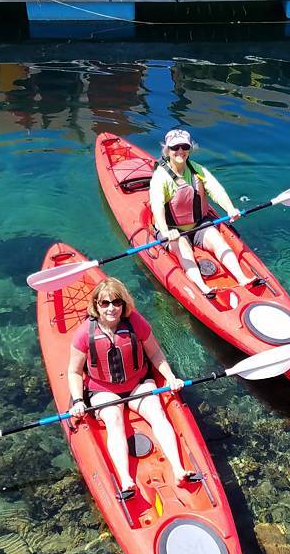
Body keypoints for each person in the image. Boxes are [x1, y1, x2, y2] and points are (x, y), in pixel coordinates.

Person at [66, 277, 196, 499]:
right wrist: (78, 401)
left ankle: (178, 468)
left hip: (138, 384)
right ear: (96, 305)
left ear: (124, 304)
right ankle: (126, 479)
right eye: (104, 303)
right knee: (113, 421)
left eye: (116, 302)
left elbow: (155, 353)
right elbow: (74, 372)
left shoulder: (136, 323)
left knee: (157, 413)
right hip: (103, 390)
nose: (111, 308)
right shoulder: (84, 333)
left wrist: (170, 377)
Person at [149, 128, 264, 299]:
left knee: (218, 241)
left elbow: (216, 190)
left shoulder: (198, 170)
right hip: (173, 230)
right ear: (167, 149)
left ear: (190, 148)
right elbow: (157, 207)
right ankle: (202, 288)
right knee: (184, 250)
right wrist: (166, 232)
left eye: (184, 146)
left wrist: (230, 209)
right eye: (175, 147)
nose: (180, 151)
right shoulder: (161, 177)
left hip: (198, 224)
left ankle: (242, 278)